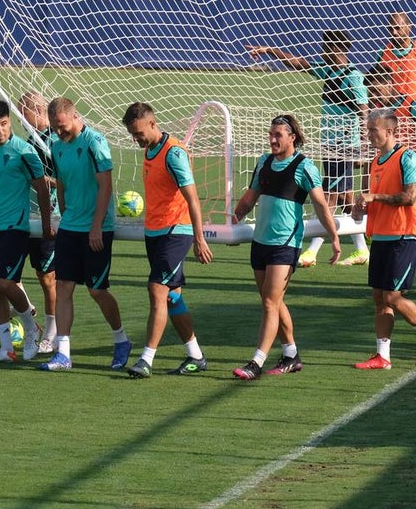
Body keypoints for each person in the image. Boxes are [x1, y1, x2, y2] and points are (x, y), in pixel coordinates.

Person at [230, 114, 341, 380]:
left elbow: (321, 205)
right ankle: (291, 354)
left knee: (270, 301)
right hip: (260, 243)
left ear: (292, 137)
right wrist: (232, 222)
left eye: (278, 135)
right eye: (271, 134)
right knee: (273, 302)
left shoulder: (305, 167)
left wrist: (334, 237)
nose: (272, 139)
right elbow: (249, 198)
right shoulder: (264, 162)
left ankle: (256, 362)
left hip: (285, 244)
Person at [245, 31, 369, 267]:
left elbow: (364, 109)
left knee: (328, 195)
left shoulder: (353, 76)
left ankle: (312, 250)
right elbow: (299, 63)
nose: (323, 51)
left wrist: (362, 145)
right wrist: (271, 50)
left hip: (345, 145)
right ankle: (362, 247)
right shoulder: (328, 69)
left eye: (327, 47)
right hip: (330, 143)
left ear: (338, 48)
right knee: (344, 196)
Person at [121, 102, 214, 378]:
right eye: (132, 134)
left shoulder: (173, 153)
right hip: (156, 232)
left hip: (177, 231)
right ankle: (196, 356)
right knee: (173, 297)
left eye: (138, 133)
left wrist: (199, 238)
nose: (135, 139)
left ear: (152, 123)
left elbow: (193, 198)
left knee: (156, 289)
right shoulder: (150, 149)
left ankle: (146, 359)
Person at [40, 97, 132, 372]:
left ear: (75, 116)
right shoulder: (57, 147)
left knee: (96, 290)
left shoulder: (95, 142)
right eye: (55, 128)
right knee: (63, 287)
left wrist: (96, 226)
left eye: (63, 126)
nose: (59, 132)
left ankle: (121, 340)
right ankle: (63, 353)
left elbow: (105, 186)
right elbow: (62, 184)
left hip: (96, 229)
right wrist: (64, 215)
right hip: (70, 227)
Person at [350, 109, 416, 370]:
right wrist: (362, 208)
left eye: (372, 130)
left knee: (391, 296)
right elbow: (380, 197)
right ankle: (383, 356)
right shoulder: (376, 161)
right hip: (381, 235)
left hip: (403, 235)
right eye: (367, 130)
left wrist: (375, 198)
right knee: (379, 297)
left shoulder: (407, 157)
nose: (368, 136)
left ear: (389, 131)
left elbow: (409, 197)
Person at [0, 99, 48, 364]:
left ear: (10, 122)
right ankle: (6, 349)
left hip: (14, 227)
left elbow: (42, 187)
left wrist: (48, 225)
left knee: (6, 282)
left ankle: (31, 329)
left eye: (4, 124)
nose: (0, 130)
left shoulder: (24, 151)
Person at [365, 62, 416, 290]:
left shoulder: (410, 104)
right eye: (371, 92)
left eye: (377, 90)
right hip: (384, 164)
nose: (375, 96)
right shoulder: (377, 114)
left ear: (389, 84)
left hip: (410, 168)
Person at [18, 90, 60, 353]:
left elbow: (67, 179)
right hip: (22, 215)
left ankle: (52, 331)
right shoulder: (29, 140)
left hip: (49, 216)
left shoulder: (54, 141)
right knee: (4, 276)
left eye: (24, 112)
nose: (21, 118)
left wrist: (47, 183)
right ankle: (27, 311)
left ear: (39, 111)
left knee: (47, 277)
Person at [379, 11, 416, 111]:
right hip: (391, 117)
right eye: (391, 28)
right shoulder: (382, 53)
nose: (394, 32)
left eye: (398, 28)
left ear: (409, 27)